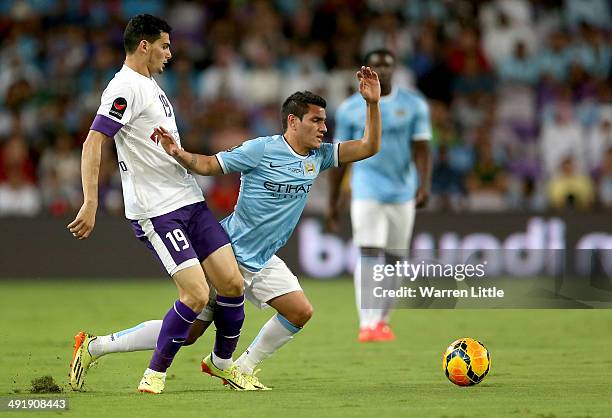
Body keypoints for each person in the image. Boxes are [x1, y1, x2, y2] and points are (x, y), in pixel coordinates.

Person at [70, 66, 382, 391]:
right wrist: (178, 153)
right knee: (187, 333)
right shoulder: (260, 149)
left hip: (262, 259)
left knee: (300, 311)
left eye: (324, 121)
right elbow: (209, 165)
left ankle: (240, 368)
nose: (324, 127)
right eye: (316, 120)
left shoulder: (319, 156)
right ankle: (95, 347)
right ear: (293, 121)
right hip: (229, 252)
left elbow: (369, 146)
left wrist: (372, 104)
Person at [67, 14, 253, 394]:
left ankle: (222, 365)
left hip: (190, 200)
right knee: (197, 295)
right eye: (165, 46)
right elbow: (93, 142)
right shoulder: (124, 88)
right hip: (158, 211)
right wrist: (90, 202)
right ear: (144, 46)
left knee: (232, 284)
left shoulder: (150, 84)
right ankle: (153, 375)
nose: (170, 54)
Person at [327, 49, 432, 342]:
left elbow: (422, 148)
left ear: (394, 69)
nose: (382, 71)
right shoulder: (349, 109)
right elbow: (340, 158)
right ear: (366, 69)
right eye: (376, 66)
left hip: (402, 190)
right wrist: (334, 201)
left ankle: (382, 321)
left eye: (387, 66)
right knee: (369, 250)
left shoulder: (413, 105)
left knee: (396, 258)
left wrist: (424, 185)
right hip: (366, 188)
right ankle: (367, 322)